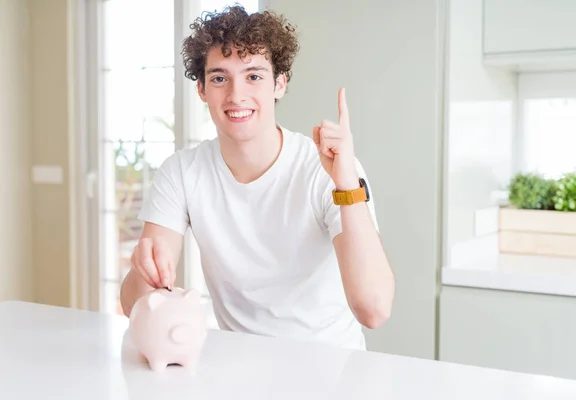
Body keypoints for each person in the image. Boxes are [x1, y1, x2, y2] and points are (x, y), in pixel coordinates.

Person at [119, 5, 394, 350]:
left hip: (330, 367)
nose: (236, 95)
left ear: (279, 83)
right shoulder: (182, 172)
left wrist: (347, 187)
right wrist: (144, 271)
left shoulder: (327, 171)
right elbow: (134, 305)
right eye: (220, 78)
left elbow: (374, 310)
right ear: (202, 89)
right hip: (239, 366)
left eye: (253, 76)